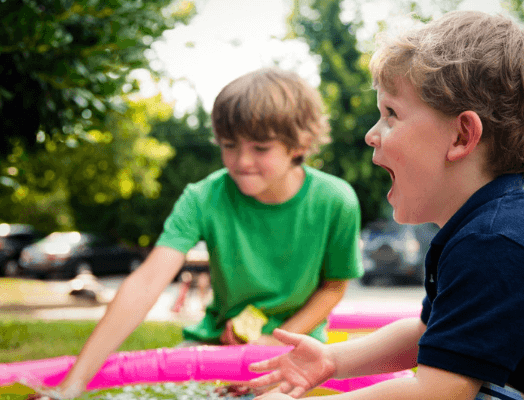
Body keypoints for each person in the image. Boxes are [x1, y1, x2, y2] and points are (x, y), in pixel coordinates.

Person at [246, 11, 524, 400]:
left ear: (462, 136)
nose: (370, 135)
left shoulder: (497, 244)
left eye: (391, 114)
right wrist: (332, 360)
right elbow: (427, 334)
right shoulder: (490, 230)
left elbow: (439, 392)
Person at [43, 67, 363, 399]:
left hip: (297, 348)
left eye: (261, 148)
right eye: (229, 145)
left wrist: (273, 340)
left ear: (301, 144)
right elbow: (147, 281)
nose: (241, 161)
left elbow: (333, 287)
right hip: (214, 343)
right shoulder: (203, 197)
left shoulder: (335, 200)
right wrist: (71, 386)